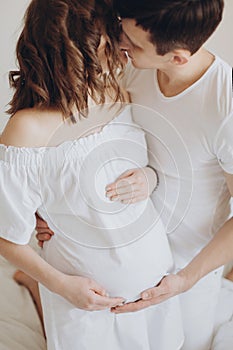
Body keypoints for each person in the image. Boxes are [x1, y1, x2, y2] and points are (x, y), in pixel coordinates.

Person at [36, 0, 233, 349]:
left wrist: (186, 280)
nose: (120, 45)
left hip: (186, 268)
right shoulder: (132, 66)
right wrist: (44, 210)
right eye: (121, 30)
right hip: (116, 248)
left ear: (177, 58)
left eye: (133, 43)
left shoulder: (224, 103)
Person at [0, 0, 184, 349]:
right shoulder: (27, 131)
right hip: (84, 304)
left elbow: (134, 168)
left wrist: (149, 177)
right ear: (70, 55)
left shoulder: (114, 90)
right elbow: (6, 235)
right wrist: (58, 285)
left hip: (154, 290)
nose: (119, 50)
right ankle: (34, 285)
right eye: (106, 44)